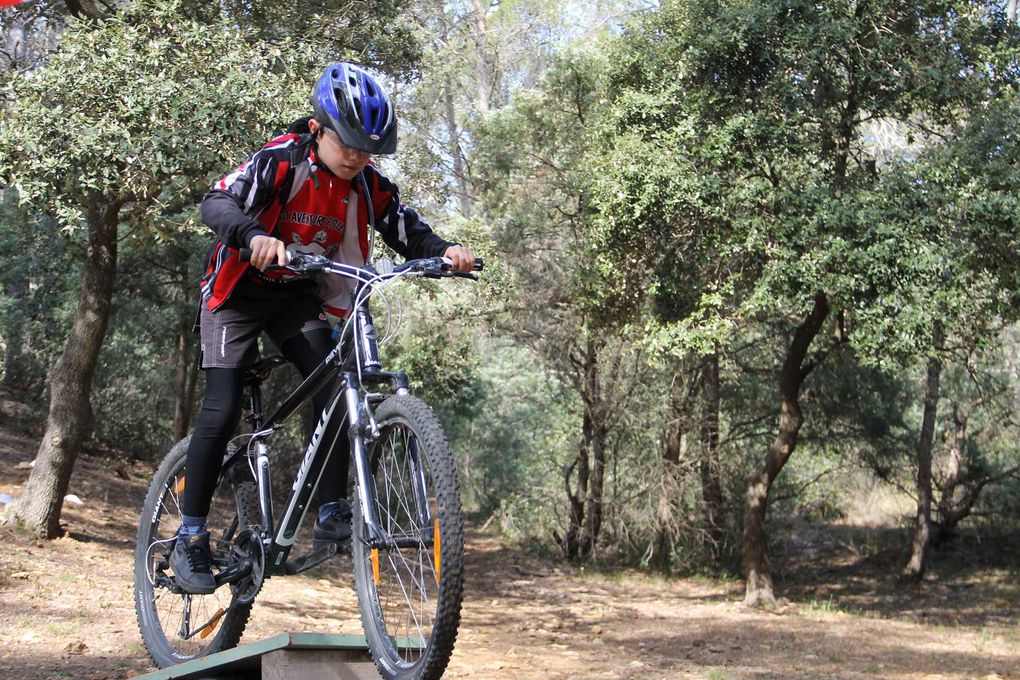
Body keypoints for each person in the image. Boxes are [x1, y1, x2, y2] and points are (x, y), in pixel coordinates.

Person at [169, 62, 475, 594]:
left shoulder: (367, 185)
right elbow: (216, 200)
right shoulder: (281, 159)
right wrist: (250, 235)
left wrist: (444, 252)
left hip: (294, 298)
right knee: (220, 409)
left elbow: (407, 229)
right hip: (235, 296)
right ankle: (189, 538)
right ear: (319, 130)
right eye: (348, 144)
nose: (357, 157)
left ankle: (332, 509)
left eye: (367, 149)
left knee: (335, 385)